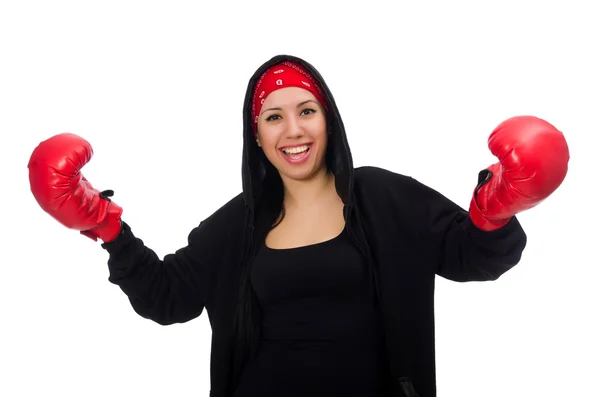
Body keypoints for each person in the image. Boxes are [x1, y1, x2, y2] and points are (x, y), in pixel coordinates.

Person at [27, 54, 570, 397]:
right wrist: (105, 227)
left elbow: (471, 256)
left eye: (306, 110)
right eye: (274, 116)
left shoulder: (384, 197)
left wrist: (495, 209)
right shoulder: (233, 226)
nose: (293, 129)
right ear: (258, 136)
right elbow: (168, 298)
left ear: (328, 118)